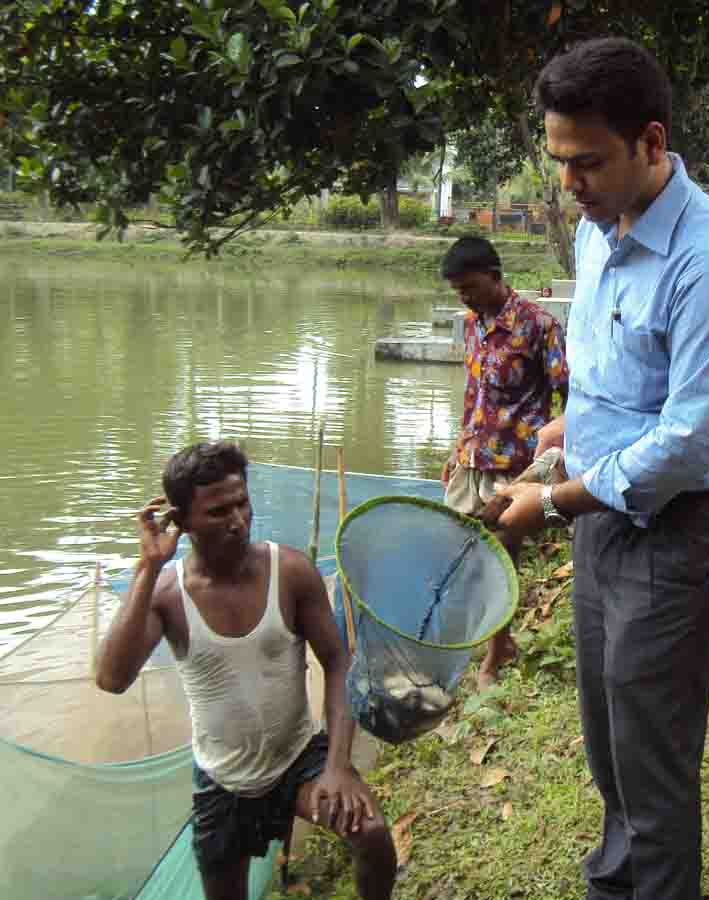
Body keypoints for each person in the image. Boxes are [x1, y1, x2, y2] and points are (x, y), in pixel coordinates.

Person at [494, 37, 709, 900]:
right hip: (603, 517)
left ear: (652, 142)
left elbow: (689, 441)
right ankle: (616, 884)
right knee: (610, 734)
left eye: (587, 162)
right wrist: (559, 437)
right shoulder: (596, 231)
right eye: (559, 161)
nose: (568, 183)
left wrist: (555, 502)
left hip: (678, 528)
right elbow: (614, 381)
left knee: (652, 753)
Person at [95, 441, 396, 900]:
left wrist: (337, 766)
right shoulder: (168, 595)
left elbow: (338, 663)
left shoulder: (289, 571)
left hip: (299, 758)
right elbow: (112, 679)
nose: (237, 520)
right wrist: (148, 567)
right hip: (223, 779)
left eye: (242, 503)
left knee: (372, 834)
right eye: (218, 512)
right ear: (182, 521)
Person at [439, 236, 569, 688]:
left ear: (495, 276)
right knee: (462, 553)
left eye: (470, 288)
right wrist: (455, 451)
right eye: (458, 291)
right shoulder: (472, 325)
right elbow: (472, 395)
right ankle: (490, 638)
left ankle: (495, 656)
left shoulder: (539, 326)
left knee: (501, 559)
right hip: (471, 459)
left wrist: (552, 462)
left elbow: (569, 397)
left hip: (514, 467)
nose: (465, 298)